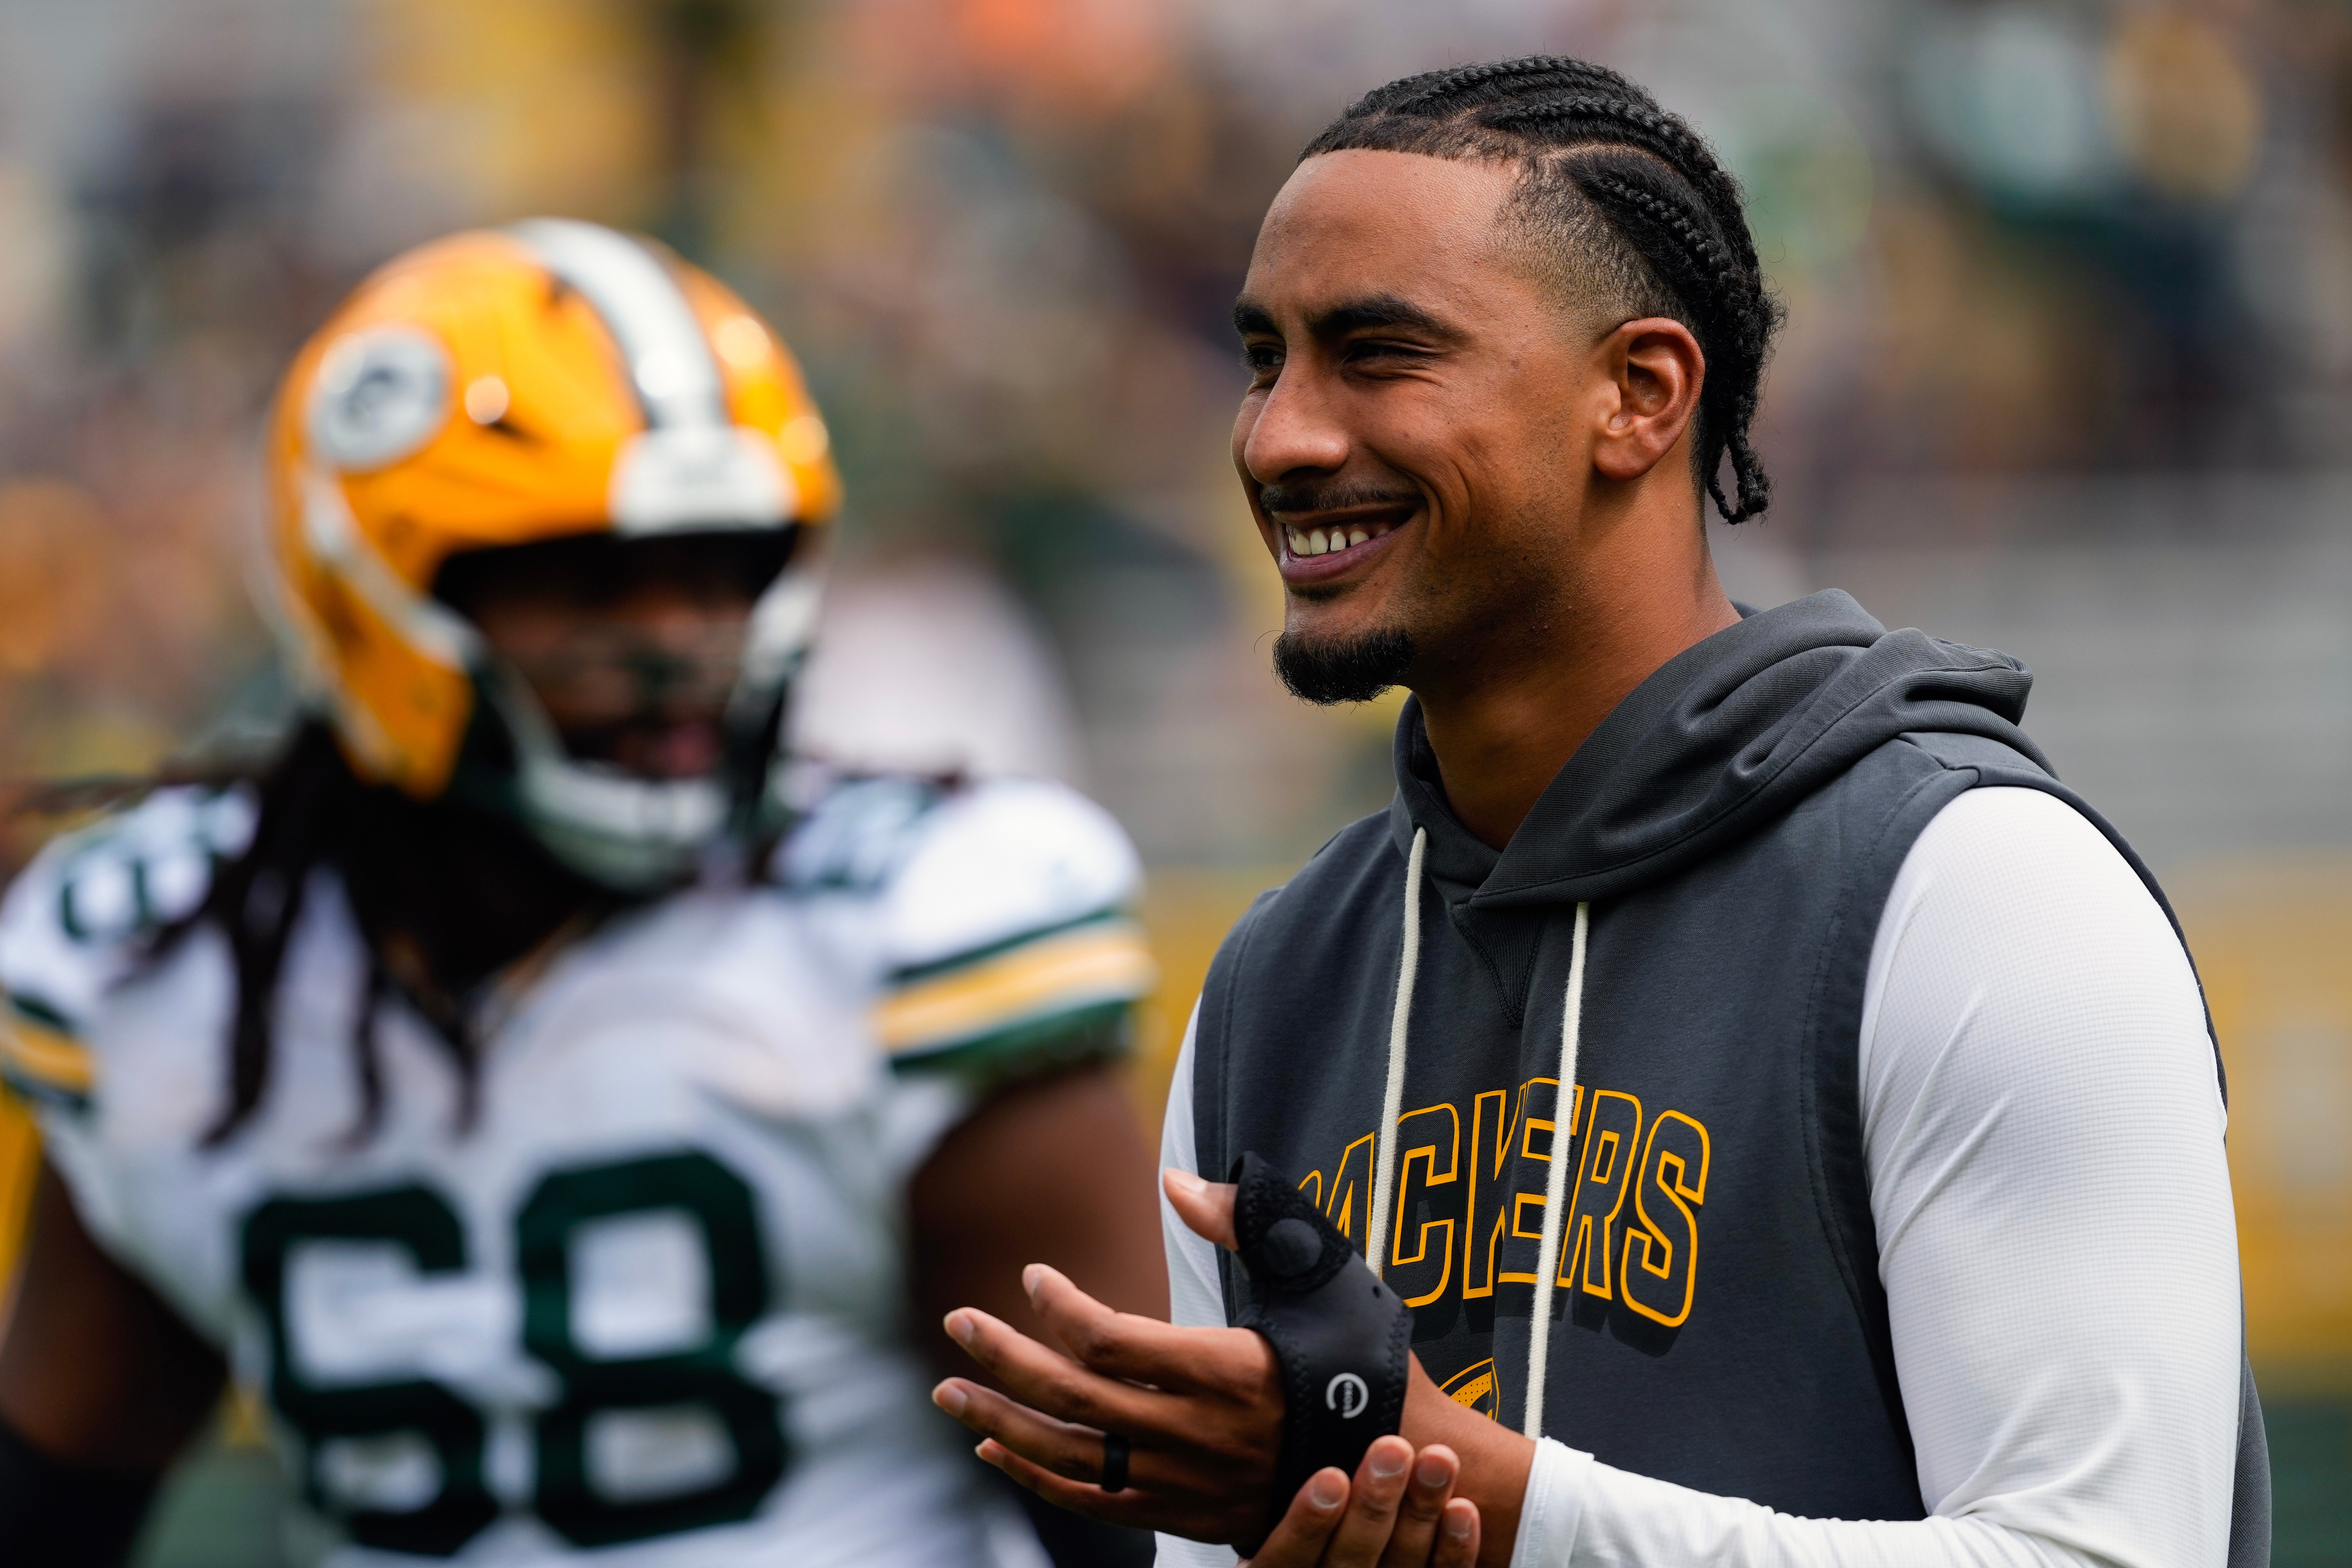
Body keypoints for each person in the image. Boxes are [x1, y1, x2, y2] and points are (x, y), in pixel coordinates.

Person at [928, 56, 2265, 1568]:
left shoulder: (1975, 889)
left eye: (1377, 355)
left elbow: (2111, 1555)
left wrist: (1489, 1507)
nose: (1279, 438)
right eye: (1261, 358)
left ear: (1638, 396)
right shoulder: (1272, 983)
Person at [0, 221, 1168, 1567]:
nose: (676, 643)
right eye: (587, 577)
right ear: (371, 589)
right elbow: (61, 1495)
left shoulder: (913, 937)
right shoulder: (177, 968)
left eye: (722, 570)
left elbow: (1135, 1532)